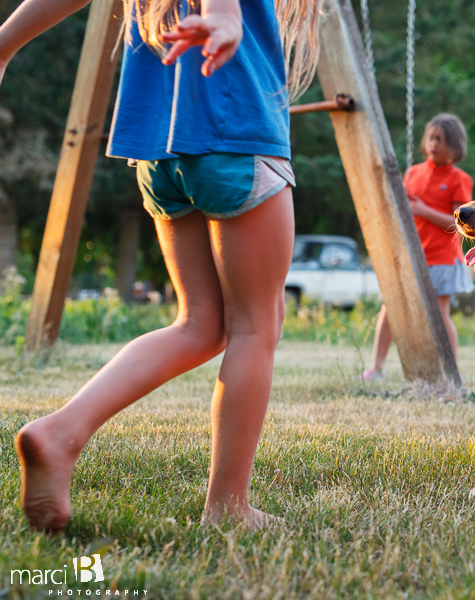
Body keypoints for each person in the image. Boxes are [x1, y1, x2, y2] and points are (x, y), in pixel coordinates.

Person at [0, 0, 321, 530]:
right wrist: (224, 14)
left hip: (156, 152)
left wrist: (8, 40)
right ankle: (228, 509)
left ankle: (61, 432)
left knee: (199, 325)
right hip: (235, 132)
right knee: (256, 327)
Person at [363, 114, 475, 381]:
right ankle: (375, 369)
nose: (435, 144)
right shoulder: (413, 172)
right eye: (432, 138)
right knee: (390, 308)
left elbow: (459, 222)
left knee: (439, 313)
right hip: (412, 255)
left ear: (455, 145)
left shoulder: (460, 178)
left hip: (443, 257)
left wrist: (423, 210)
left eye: (442, 140)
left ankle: (450, 372)